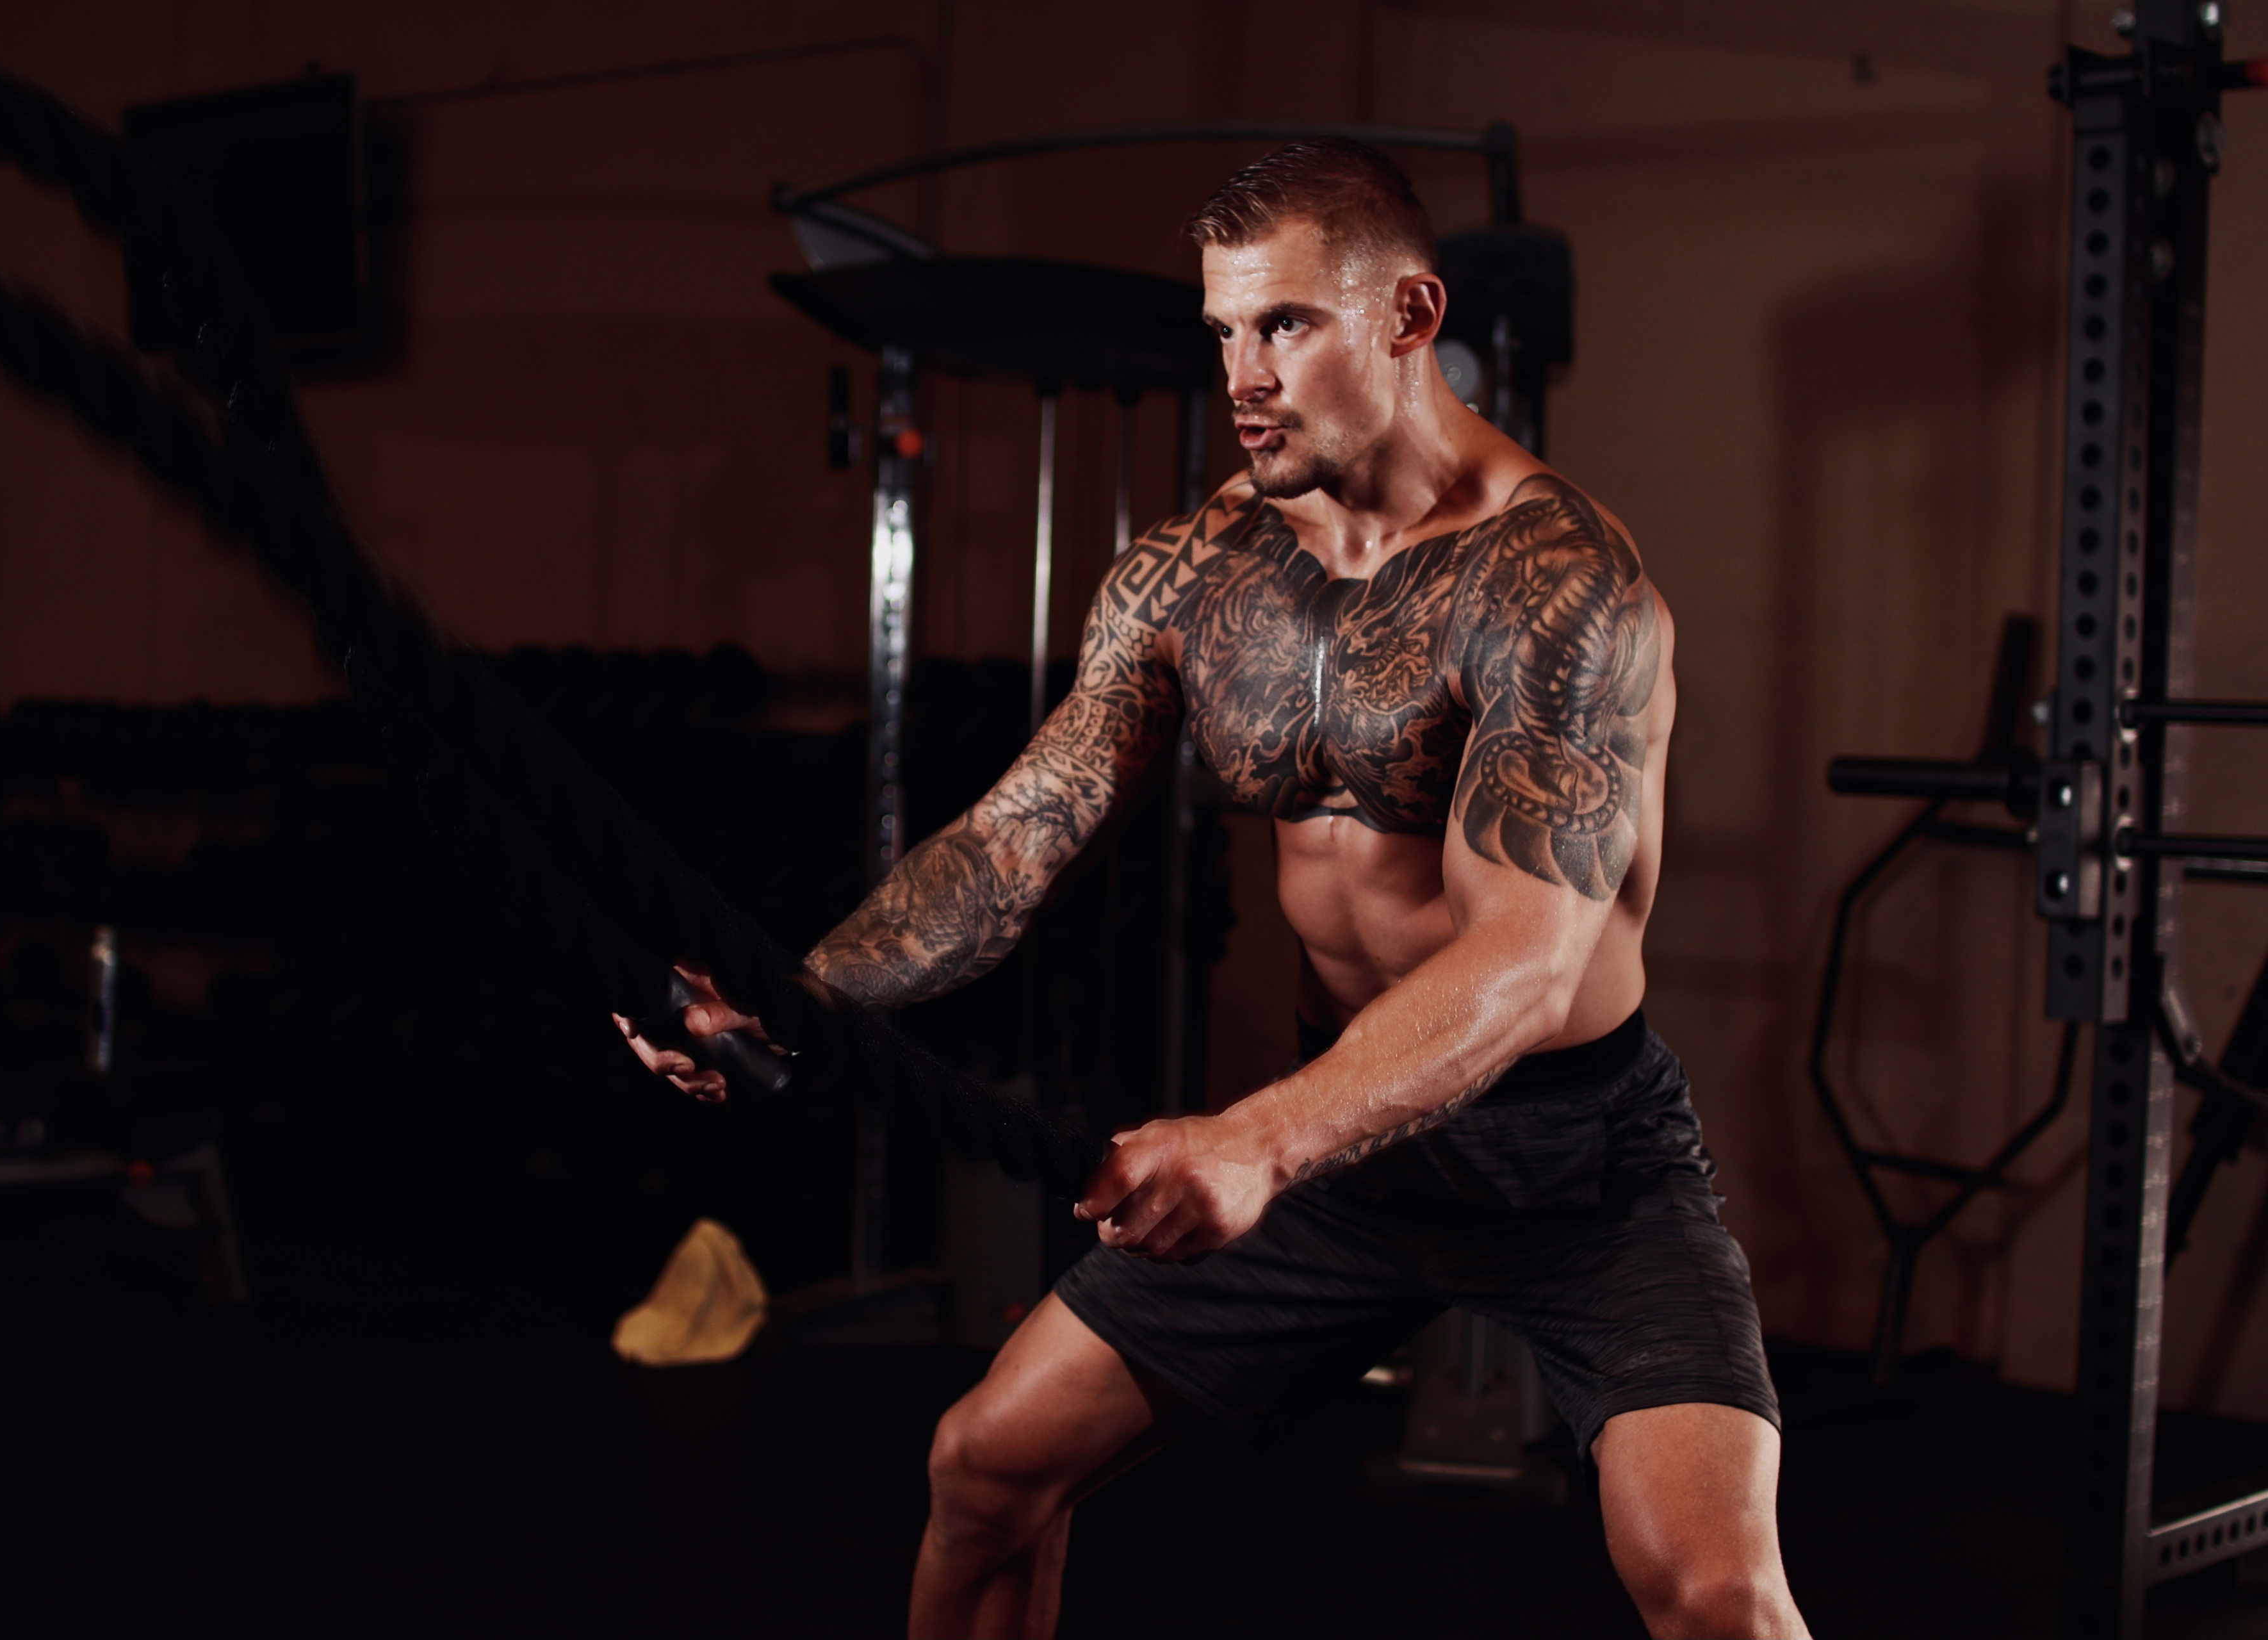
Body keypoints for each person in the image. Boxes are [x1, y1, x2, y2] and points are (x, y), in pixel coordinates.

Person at [621, 138, 1806, 1640]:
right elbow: (1018, 836)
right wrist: (799, 1000)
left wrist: (1259, 1138)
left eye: (1288, 325)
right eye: (1226, 332)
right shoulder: (1192, 572)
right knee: (983, 1467)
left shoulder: (1559, 582)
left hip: (1571, 1165)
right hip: (1345, 1160)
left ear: (1408, 314)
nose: (1243, 373)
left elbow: (1523, 959)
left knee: (1715, 1595)